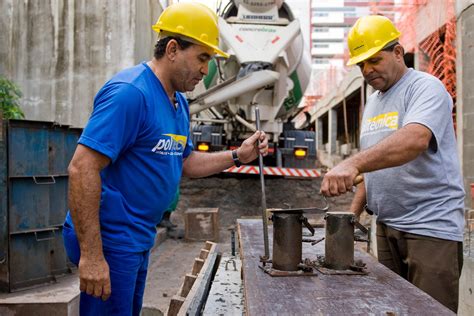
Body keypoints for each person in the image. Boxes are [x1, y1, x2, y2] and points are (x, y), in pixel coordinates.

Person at [62, 2, 268, 315]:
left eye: (209, 60)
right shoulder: (130, 93)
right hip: (111, 237)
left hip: (138, 235)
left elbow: (184, 163)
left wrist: (238, 155)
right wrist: (92, 255)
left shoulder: (178, 104)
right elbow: (81, 167)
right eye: (202, 57)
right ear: (172, 49)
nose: (205, 69)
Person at [320, 15, 464, 312]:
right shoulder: (374, 101)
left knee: (428, 310)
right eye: (361, 65)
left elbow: (414, 140)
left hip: (429, 230)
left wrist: (351, 164)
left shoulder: (426, 88)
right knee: (392, 307)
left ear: (398, 52)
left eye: (374, 60)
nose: (367, 70)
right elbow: (373, 166)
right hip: (386, 227)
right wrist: (352, 214)